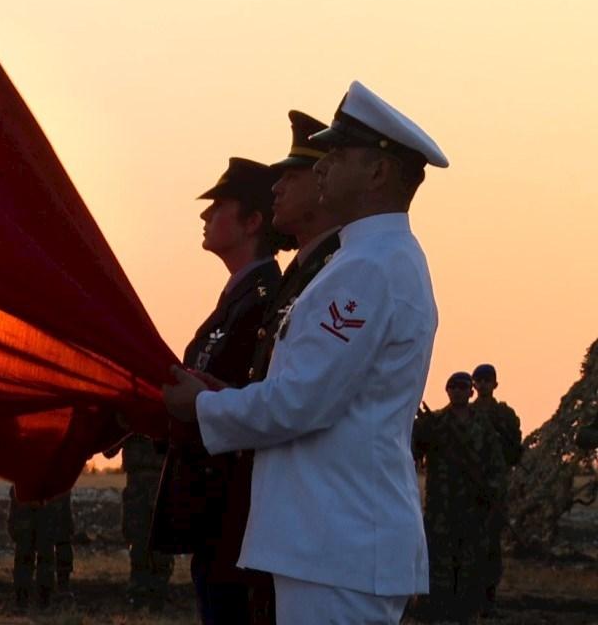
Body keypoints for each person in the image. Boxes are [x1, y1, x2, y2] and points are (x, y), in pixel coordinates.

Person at [163, 80, 450, 623]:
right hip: (329, 539)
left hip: (337, 541)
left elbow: (299, 403)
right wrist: (221, 397)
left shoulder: (369, 268)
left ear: (378, 173)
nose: (322, 166)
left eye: (338, 155)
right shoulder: (365, 260)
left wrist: (200, 409)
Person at [152, 157, 283, 625]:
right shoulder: (239, 298)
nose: (205, 217)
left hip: (237, 516)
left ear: (253, 222)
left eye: (218, 206)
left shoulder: (267, 302)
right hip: (215, 515)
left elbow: (255, 402)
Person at [223, 110, 342, 624]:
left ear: (323, 187)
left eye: (290, 178)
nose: (275, 189)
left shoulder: (338, 273)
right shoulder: (302, 272)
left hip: (316, 525)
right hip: (279, 516)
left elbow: (300, 400)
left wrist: (207, 405)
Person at [413, 372, 507, 622]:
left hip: (472, 508)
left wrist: (492, 493)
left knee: (470, 564)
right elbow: (414, 449)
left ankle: (466, 611)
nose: (457, 391)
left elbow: (496, 463)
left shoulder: (483, 426)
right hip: (440, 506)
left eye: (462, 387)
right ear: (446, 391)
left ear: (470, 392)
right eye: (452, 386)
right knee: (439, 563)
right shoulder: (435, 423)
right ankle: (436, 610)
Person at [469, 363, 523, 615]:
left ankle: (488, 600)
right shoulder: (463, 414)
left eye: (487, 381)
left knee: (491, 545)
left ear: (495, 384)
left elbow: (514, 451)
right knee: (467, 544)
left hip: (495, 489)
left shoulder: (505, 415)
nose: (482, 385)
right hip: (467, 489)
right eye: (478, 381)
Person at [110, 435, 172, 609]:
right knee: (138, 541)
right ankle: (142, 591)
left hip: (159, 480)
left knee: (159, 541)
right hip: (142, 483)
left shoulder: (166, 411)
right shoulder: (132, 414)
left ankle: (155, 591)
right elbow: (110, 449)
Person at [7, 488, 75, 608]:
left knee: (27, 556)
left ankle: (24, 601)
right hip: (45, 504)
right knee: (43, 557)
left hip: (28, 502)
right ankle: (42, 601)